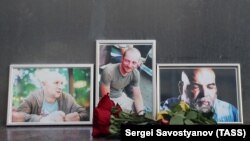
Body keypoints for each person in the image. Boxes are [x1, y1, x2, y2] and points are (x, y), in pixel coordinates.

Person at [161, 68, 239, 122]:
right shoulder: (164, 111)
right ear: (181, 88)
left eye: (210, 87)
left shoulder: (231, 112)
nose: (204, 94)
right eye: (195, 87)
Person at [12, 69, 88, 122]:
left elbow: (85, 114)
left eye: (61, 83)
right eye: (56, 83)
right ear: (44, 84)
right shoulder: (33, 97)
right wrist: (42, 120)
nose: (60, 87)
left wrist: (77, 117)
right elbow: (17, 116)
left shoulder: (67, 98)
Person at [100, 47, 144, 114]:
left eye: (134, 62)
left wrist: (141, 114)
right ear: (122, 58)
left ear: (138, 63)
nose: (129, 65)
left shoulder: (136, 73)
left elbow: (137, 96)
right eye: (127, 61)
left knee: (139, 109)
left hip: (120, 97)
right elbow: (106, 99)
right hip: (103, 99)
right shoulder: (109, 71)